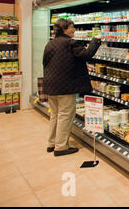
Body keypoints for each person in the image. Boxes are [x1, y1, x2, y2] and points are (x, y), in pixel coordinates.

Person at [43, 18, 102, 156]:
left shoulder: (50, 44)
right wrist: (96, 40)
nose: (74, 29)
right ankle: (61, 147)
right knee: (65, 115)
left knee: (55, 114)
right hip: (65, 86)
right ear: (64, 29)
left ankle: (52, 143)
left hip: (51, 85)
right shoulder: (70, 43)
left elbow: (45, 63)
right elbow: (87, 54)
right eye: (72, 27)